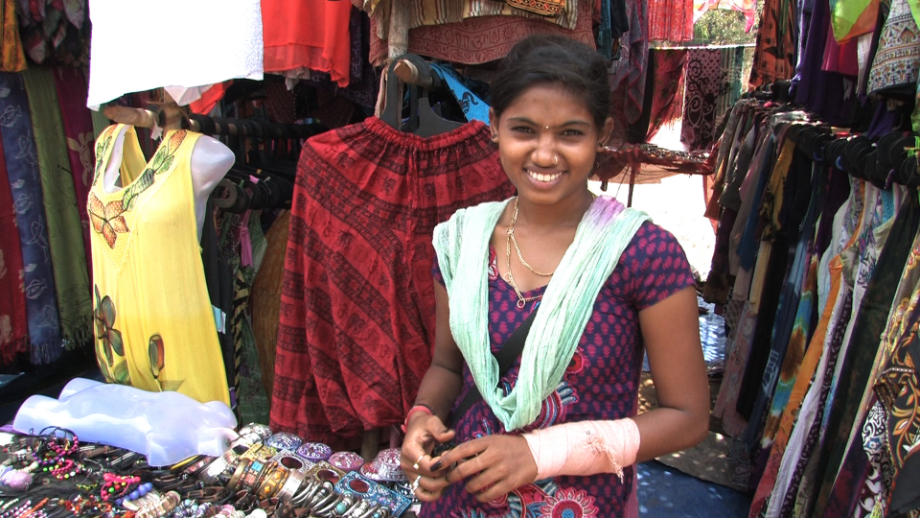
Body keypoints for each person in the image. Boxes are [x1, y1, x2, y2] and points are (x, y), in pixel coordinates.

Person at [400, 34, 710, 518]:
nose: (545, 155)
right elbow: (446, 367)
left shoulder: (643, 255)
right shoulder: (461, 243)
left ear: (601, 134)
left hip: (578, 503)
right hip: (460, 499)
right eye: (524, 130)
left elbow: (687, 419)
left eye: (570, 133)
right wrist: (421, 418)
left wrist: (539, 453)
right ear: (493, 127)